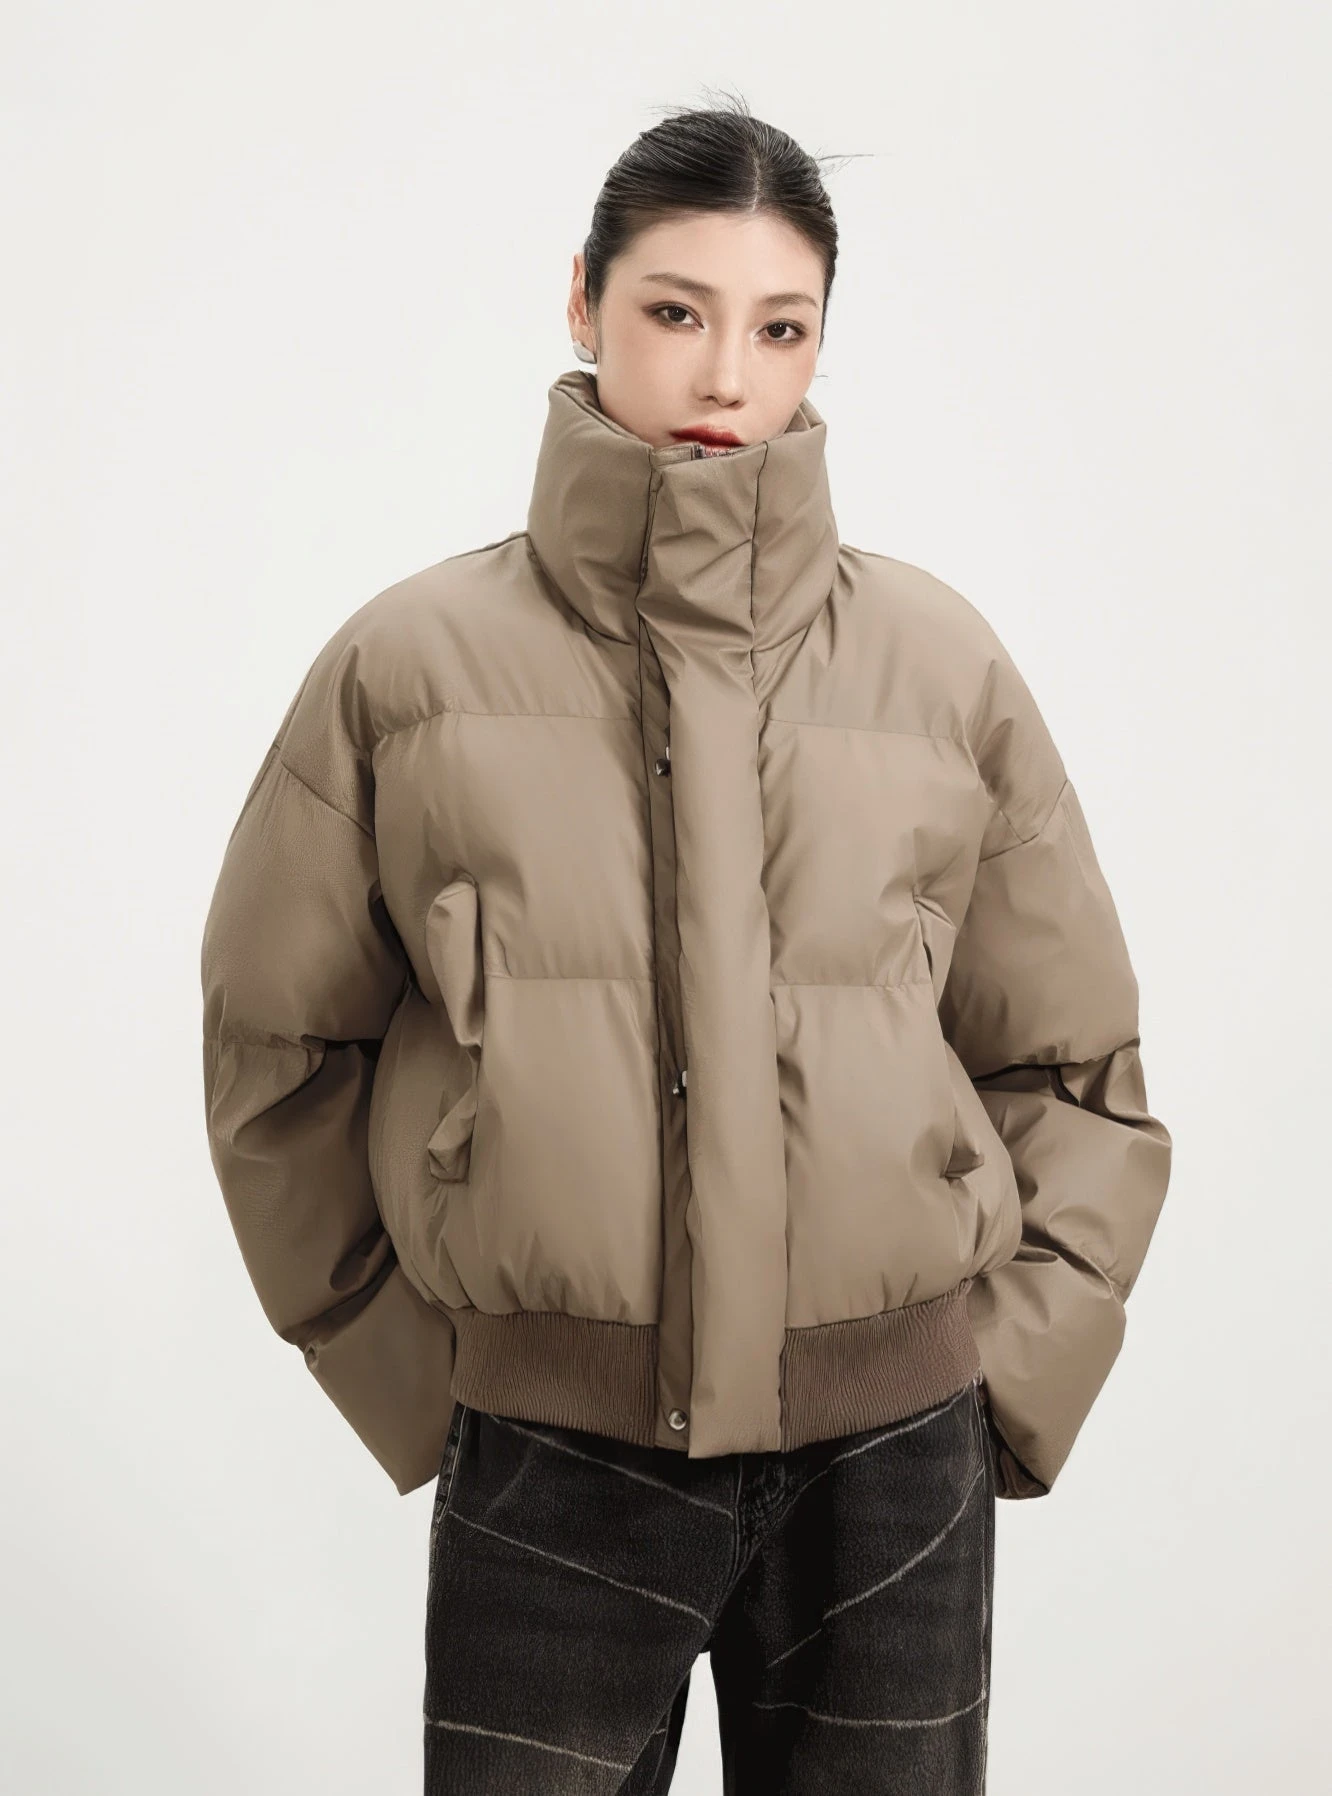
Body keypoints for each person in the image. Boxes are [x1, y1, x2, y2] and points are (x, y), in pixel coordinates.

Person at [200, 95, 1172, 1795]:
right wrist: (423, 1380)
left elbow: (1074, 1062)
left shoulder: (939, 669)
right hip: (551, 1458)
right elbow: (275, 1048)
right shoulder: (408, 671)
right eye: (676, 310)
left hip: (892, 1468)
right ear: (583, 301)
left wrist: (1001, 1379)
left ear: (821, 345)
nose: (727, 375)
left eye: (780, 328)